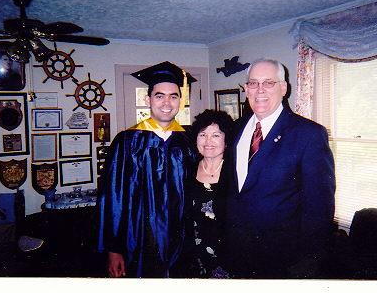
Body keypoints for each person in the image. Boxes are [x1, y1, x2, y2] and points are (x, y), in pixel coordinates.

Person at [219, 58, 336, 278]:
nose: (259, 90)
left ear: (284, 88)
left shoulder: (309, 134)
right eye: (253, 83)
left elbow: (319, 208)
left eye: (269, 83)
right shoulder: (237, 128)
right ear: (246, 90)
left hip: (282, 260)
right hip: (237, 254)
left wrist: (307, 262)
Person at [97, 61, 197, 278]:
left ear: (181, 100)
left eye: (173, 96)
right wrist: (114, 248)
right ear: (148, 99)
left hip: (181, 241)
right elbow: (113, 197)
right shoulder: (127, 142)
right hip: (140, 239)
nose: (167, 102)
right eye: (159, 95)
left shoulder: (188, 142)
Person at [182, 109, 234, 278]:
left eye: (216, 135)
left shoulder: (236, 172)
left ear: (226, 140)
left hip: (228, 257)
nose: (208, 141)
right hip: (193, 256)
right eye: (203, 135)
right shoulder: (187, 169)